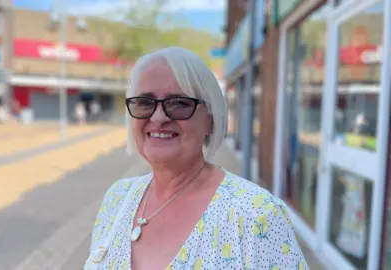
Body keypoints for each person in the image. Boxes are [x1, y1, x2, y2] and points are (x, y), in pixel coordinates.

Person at [84, 47, 308, 269]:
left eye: (179, 103)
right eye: (144, 102)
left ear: (210, 120)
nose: (158, 117)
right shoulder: (117, 198)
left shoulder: (256, 215)